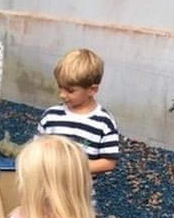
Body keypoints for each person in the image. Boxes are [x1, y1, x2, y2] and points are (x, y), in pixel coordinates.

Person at [37, 48, 119, 176]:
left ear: (92, 90)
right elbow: (36, 150)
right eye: (60, 87)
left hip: (80, 192)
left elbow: (109, 162)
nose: (62, 95)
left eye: (70, 91)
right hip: (47, 188)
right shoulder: (50, 116)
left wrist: (73, 167)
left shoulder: (104, 122)